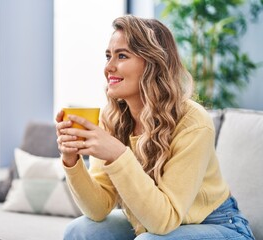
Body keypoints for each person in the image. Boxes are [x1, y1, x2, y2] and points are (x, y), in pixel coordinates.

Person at [55, 15, 255, 240]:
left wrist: (117, 154)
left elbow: (164, 221)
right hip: (150, 223)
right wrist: (71, 160)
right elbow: (98, 209)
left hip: (220, 226)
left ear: (152, 63)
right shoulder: (111, 118)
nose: (108, 67)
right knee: (80, 230)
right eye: (108, 56)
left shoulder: (193, 122)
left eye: (122, 56)